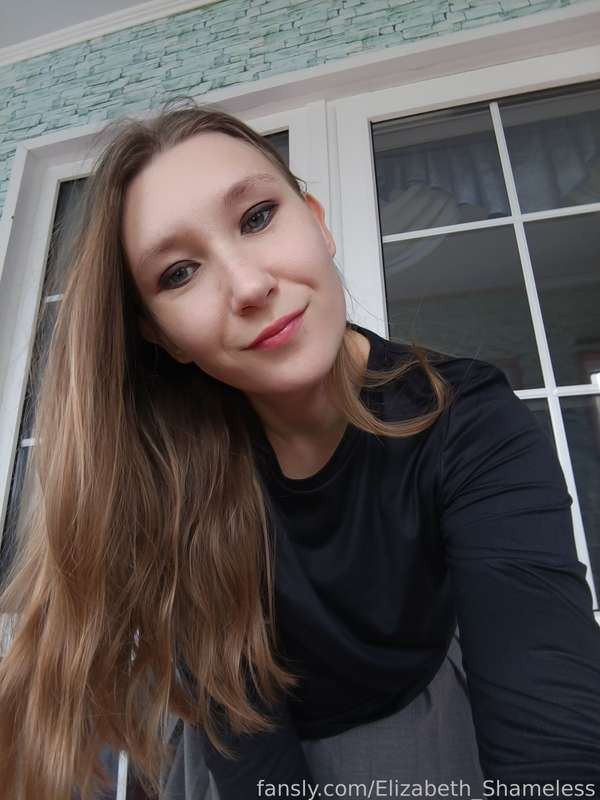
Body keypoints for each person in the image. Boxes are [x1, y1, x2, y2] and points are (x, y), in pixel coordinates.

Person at [0, 95, 599, 800]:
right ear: (160, 335)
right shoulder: (178, 479)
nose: (250, 286)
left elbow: (549, 725)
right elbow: (247, 739)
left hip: (426, 706)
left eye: (258, 217)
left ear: (317, 223)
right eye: (180, 272)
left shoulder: (467, 417)